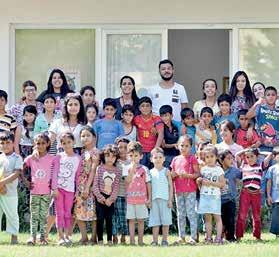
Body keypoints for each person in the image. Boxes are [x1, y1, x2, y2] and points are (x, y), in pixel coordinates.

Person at [23, 133, 56, 245]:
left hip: (47, 192)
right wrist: (25, 181)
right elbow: (21, 167)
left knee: (43, 216)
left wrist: (53, 186)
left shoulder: (52, 158)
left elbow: (55, 174)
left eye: (43, 143)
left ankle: (42, 238)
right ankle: (32, 237)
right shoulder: (31, 158)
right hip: (34, 192)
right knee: (34, 215)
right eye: (38, 143)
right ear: (34, 144)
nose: (40, 146)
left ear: (48, 144)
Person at [235, 148, 272, 241]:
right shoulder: (244, 166)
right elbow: (236, 155)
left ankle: (257, 236)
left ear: (257, 157)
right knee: (242, 214)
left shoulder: (260, 166)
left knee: (256, 215)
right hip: (245, 193)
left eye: (252, 156)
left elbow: (270, 154)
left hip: (256, 194)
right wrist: (245, 150)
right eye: (247, 157)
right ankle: (239, 236)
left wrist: (259, 152)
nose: (249, 159)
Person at [52, 132, 82, 246]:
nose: (67, 145)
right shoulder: (58, 157)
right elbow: (54, 174)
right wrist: (54, 188)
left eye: (69, 142)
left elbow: (78, 177)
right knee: (59, 213)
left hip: (70, 190)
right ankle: (60, 237)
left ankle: (67, 236)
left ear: (73, 142)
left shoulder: (78, 158)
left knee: (67, 213)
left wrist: (77, 191)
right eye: (64, 143)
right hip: (58, 189)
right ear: (61, 144)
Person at [170, 135, 200, 245]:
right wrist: (172, 175)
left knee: (191, 213)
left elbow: (197, 174)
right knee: (180, 214)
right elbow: (172, 174)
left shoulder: (192, 158)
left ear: (191, 147)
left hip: (190, 190)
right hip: (178, 190)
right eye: (182, 145)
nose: (184, 148)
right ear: (178, 146)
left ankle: (193, 237)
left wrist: (187, 175)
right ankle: (181, 237)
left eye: (186, 146)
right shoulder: (175, 159)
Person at [75, 126, 99, 245]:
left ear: (94, 137)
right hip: (80, 185)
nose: (85, 138)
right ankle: (84, 236)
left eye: (88, 135)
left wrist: (88, 187)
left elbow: (93, 170)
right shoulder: (81, 152)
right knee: (79, 211)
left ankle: (94, 237)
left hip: (91, 186)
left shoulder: (95, 152)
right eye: (83, 136)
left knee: (93, 212)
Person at [197, 144, 226, 244]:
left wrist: (210, 183)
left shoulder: (219, 170)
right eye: (207, 157)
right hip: (205, 196)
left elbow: (222, 184)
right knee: (207, 218)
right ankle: (209, 238)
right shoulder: (203, 169)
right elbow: (201, 186)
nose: (209, 159)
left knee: (217, 217)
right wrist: (199, 181)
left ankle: (218, 238)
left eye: (212, 156)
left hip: (215, 197)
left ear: (216, 157)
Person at [124, 141, 151, 246]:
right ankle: (131, 240)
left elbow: (148, 184)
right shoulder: (126, 168)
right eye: (131, 156)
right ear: (127, 156)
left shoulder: (145, 169)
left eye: (136, 155)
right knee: (131, 220)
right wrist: (132, 169)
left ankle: (140, 240)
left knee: (140, 220)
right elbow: (127, 180)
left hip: (141, 199)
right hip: (130, 199)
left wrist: (149, 198)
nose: (133, 158)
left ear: (141, 156)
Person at [93, 144, 121, 245]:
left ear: (116, 158)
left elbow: (116, 187)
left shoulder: (117, 171)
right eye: (108, 155)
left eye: (113, 156)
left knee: (109, 219)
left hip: (110, 199)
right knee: (100, 219)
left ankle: (109, 240)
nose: (110, 158)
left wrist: (111, 199)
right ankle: (100, 239)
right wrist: (100, 197)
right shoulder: (99, 168)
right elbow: (95, 185)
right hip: (100, 197)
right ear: (103, 156)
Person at [0, 131, 23, 244]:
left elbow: (16, 174)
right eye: (2, 143)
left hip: (10, 193)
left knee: (12, 214)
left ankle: (14, 236)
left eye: (8, 143)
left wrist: (2, 183)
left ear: (13, 143)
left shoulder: (17, 158)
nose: (5, 145)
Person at [149, 147, 173, 246]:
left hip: (165, 200)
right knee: (155, 221)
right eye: (155, 157)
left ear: (164, 159)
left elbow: (171, 186)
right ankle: (154, 241)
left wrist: (170, 200)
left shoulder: (166, 171)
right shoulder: (150, 172)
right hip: (154, 200)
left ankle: (164, 240)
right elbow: (148, 188)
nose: (158, 159)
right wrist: (149, 200)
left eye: (160, 157)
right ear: (151, 159)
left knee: (165, 221)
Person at [134, 97, 164, 169]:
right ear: (139, 108)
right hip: (141, 152)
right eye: (143, 106)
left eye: (147, 105)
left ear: (151, 107)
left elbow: (161, 134)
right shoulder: (136, 119)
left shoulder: (156, 118)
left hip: (153, 151)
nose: (145, 108)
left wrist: (156, 149)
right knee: (141, 173)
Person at [218, 149, 242, 242]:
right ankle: (220, 237)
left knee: (231, 219)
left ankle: (231, 237)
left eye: (232, 158)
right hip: (219, 200)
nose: (231, 160)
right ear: (221, 160)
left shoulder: (234, 171)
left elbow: (242, 175)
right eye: (228, 158)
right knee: (222, 220)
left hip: (230, 199)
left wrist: (240, 164)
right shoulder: (217, 170)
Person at [247, 86, 279, 152]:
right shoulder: (260, 108)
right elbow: (248, 116)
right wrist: (256, 103)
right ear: (264, 97)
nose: (271, 97)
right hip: (261, 147)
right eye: (268, 95)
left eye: (273, 95)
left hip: (276, 148)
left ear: (276, 97)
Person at [112, 137, 130, 245]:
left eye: (125, 147)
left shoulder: (130, 162)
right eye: (120, 147)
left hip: (126, 194)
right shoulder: (114, 161)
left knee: (124, 217)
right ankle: (114, 236)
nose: (123, 149)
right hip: (115, 194)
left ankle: (123, 236)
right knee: (114, 217)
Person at [266, 147, 279, 238]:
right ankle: (277, 233)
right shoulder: (272, 168)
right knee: (276, 216)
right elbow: (269, 182)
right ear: (274, 157)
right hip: (276, 196)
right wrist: (269, 195)